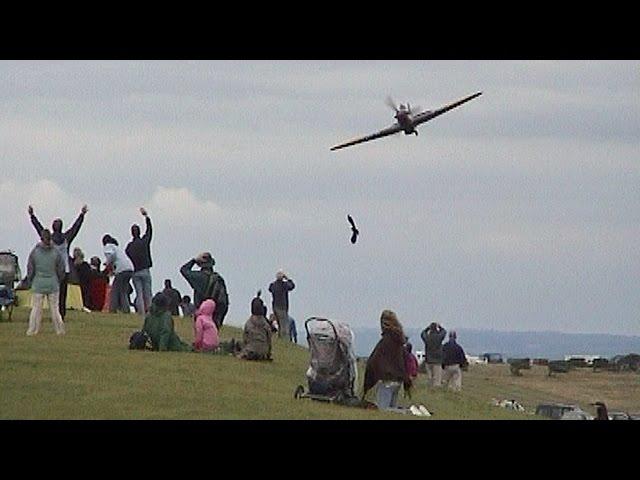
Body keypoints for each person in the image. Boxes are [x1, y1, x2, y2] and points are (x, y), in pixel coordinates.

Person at [28, 204, 88, 320]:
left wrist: (32, 216)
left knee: (50, 294)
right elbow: (75, 228)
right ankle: (61, 314)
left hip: (51, 269)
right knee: (62, 295)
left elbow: (39, 228)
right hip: (64, 270)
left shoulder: (49, 239)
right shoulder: (66, 238)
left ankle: (50, 313)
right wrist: (82, 215)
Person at [362, 310, 412, 411]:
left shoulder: (386, 341)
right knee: (391, 409)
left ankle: (406, 413)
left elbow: (374, 361)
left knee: (383, 410)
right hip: (398, 379)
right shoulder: (399, 340)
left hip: (387, 379)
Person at [25, 229, 66, 335]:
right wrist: (58, 280)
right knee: (55, 310)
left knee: (36, 309)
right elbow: (61, 269)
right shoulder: (56, 252)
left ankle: (33, 330)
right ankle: (60, 330)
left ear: (41, 239)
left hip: (38, 283)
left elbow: (30, 268)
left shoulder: (35, 252)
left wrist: (31, 280)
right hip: (53, 283)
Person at [179, 252, 229, 327]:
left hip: (201, 314)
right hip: (215, 316)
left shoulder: (198, 277)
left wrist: (194, 260)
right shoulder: (219, 279)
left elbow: (183, 270)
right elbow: (224, 302)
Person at [125, 208, 153, 315]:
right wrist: (147, 217)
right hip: (145, 270)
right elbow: (150, 231)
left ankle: (141, 312)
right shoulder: (144, 241)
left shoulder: (129, 247)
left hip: (135, 272)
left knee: (139, 294)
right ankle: (150, 313)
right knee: (148, 293)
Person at [102, 234, 134, 314]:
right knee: (123, 291)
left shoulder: (108, 246)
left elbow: (111, 255)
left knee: (115, 290)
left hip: (122, 269)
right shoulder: (117, 248)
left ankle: (112, 309)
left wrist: (107, 263)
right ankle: (126, 310)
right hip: (130, 268)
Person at [238, 293, 273, 361]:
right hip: (263, 352)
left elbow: (245, 339)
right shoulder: (266, 324)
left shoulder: (248, 323)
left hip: (250, 351)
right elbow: (269, 340)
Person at [268, 269, 295, 340]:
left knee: (279, 324)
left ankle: (279, 338)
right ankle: (284, 339)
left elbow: (270, 288)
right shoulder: (284, 285)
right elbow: (292, 286)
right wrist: (288, 279)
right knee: (284, 325)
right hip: (282, 307)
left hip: (275, 307)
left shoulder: (273, 285)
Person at [421, 322, 447, 387]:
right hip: (437, 361)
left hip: (428, 360)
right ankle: (435, 391)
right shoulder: (439, 337)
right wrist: (440, 327)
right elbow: (444, 332)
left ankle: (430, 388)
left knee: (430, 378)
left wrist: (427, 328)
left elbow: (422, 334)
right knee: (437, 380)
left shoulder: (427, 338)